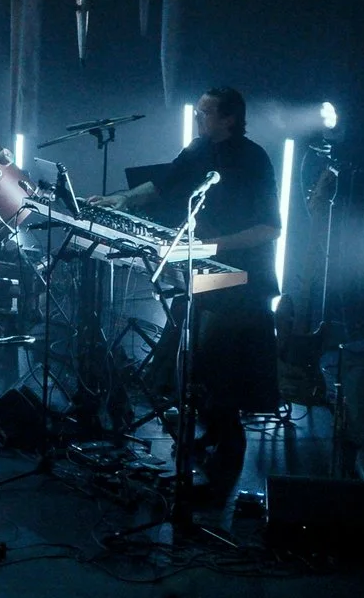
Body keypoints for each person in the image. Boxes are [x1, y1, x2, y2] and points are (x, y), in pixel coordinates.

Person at [89, 86, 280, 493]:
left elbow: (271, 228)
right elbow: (162, 186)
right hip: (208, 277)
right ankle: (203, 447)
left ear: (229, 118)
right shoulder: (198, 150)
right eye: (197, 112)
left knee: (223, 381)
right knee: (189, 369)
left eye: (206, 113)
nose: (198, 118)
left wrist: (213, 246)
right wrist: (122, 200)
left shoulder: (254, 160)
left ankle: (221, 482)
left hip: (244, 283)